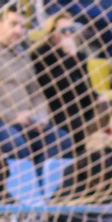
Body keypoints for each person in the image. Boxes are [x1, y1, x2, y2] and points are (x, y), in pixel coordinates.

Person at [0, 7, 72, 162]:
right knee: (16, 144)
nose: (19, 31)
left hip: (28, 120)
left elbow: (35, 92)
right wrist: (12, 117)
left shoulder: (22, 53)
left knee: (63, 141)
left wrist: (41, 117)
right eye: (13, 24)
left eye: (23, 27)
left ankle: (42, 181)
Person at [31, 13, 97, 147]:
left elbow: (86, 89)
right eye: (62, 30)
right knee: (76, 122)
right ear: (52, 32)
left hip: (80, 106)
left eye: (71, 30)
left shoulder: (79, 55)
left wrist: (98, 99)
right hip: (55, 107)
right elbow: (57, 87)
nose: (67, 33)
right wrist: (70, 58)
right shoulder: (41, 54)